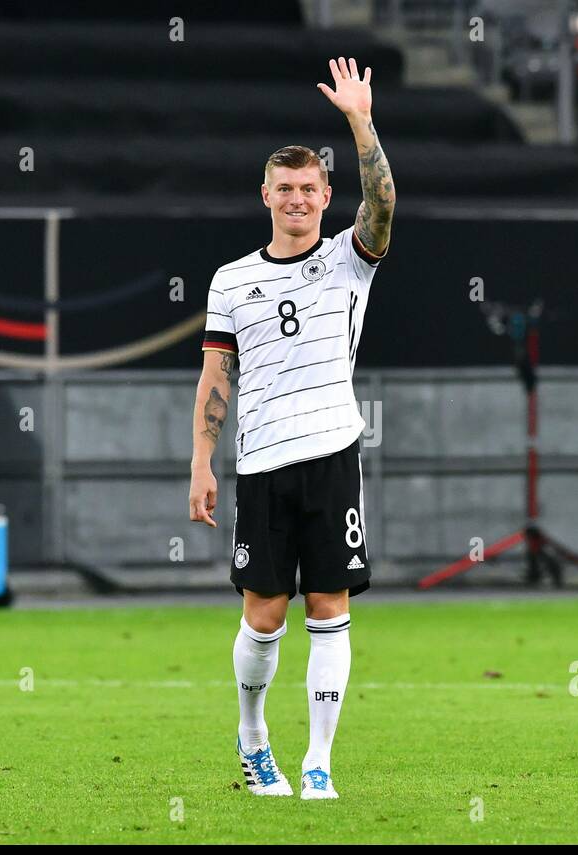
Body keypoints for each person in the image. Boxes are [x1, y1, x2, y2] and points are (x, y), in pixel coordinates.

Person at [189, 58, 396, 799]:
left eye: (311, 188)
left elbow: (384, 203)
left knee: (330, 608)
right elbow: (217, 378)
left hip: (333, 455)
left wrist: (359, 122)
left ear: (325, 195)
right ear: (267, 197)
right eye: (286, 189)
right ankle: (252, 740)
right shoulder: (230, 280)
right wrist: (201, 461)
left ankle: (319, 763)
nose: (299, 199)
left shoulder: (350, 259)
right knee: (265, 614)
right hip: (264, 463)